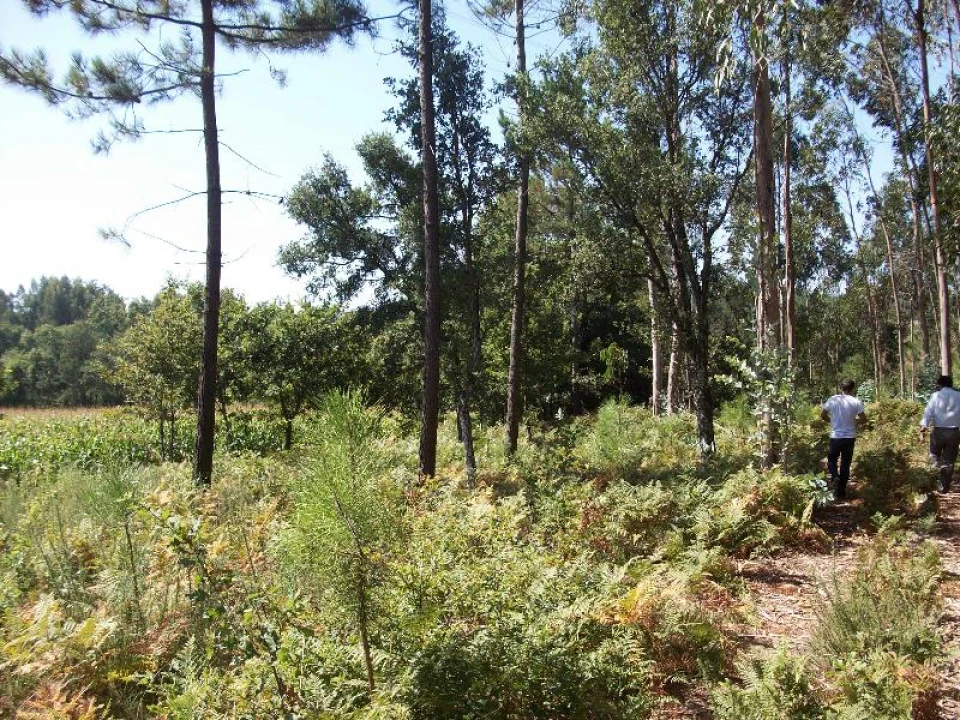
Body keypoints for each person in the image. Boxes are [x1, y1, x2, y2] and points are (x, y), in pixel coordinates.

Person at [820, 378, 867, 499]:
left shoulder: (833, 399)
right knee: (846, 464)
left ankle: (835, 476)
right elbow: (863, 419)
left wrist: (832, 421)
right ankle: (841, 491)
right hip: (849, 437)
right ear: (852, 388)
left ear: (841, 387)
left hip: (835, 436)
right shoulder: (856, 401)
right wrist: (855, 421)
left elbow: (822, 415)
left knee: (831, 460)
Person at [920, 374, 960, 493]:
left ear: (939, 384)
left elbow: (928, 413)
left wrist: (923, 430)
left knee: (933, 455)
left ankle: (932, 480)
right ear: (951, 384)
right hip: (954, 432)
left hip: (938, 431)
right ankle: (943, 487)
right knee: (949, 460)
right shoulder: (959, 396)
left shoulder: (935, 396)